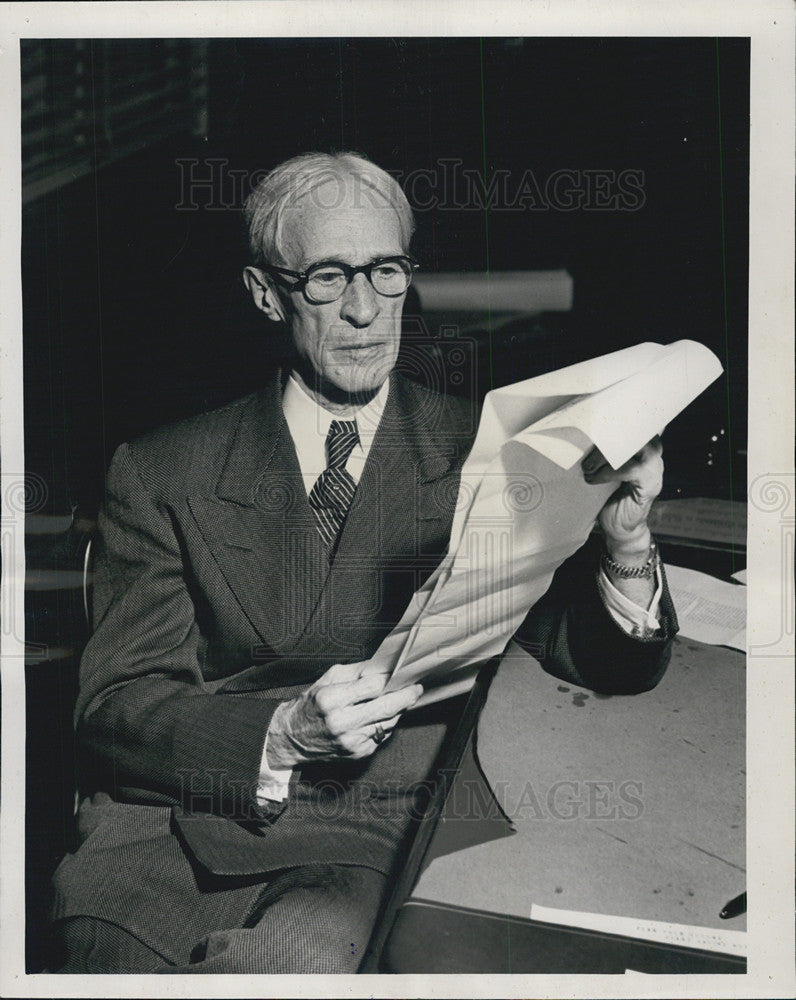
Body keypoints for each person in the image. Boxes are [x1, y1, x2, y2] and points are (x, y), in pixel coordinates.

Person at [50, 151, 677, 974]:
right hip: (179, 812)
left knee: (289, 964)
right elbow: (115, 703)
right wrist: (279, 734)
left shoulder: (487, 449)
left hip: (371, 822)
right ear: (265, 293)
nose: (362, 311)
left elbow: (588, 653)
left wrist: (626, 541)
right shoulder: (165, 470)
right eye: (325, 278)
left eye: (385, 271)